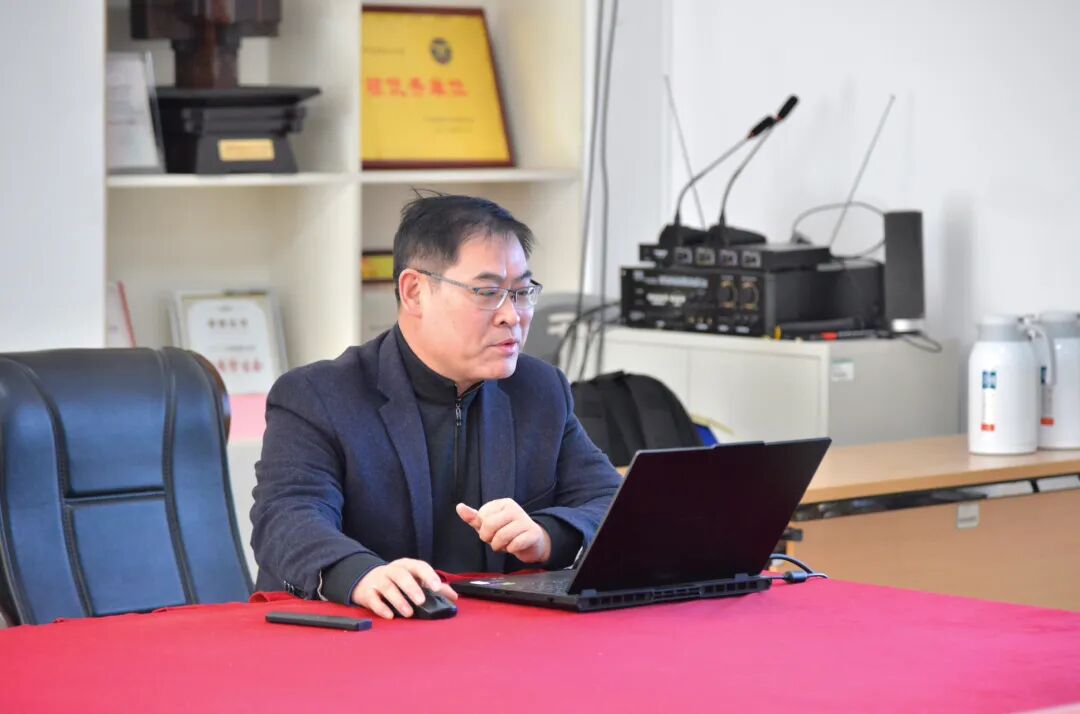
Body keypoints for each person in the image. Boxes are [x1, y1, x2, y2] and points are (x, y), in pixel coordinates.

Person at [251, 194, 621, 619]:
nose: (512, 315)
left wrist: (546, 535)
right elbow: (286, 516)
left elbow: (610, 500)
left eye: (521, 293)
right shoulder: (318, 395)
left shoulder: (538, 390)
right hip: (359, 631)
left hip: (494, 633)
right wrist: (358, 573)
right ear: (414, 292)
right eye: (488, 292)